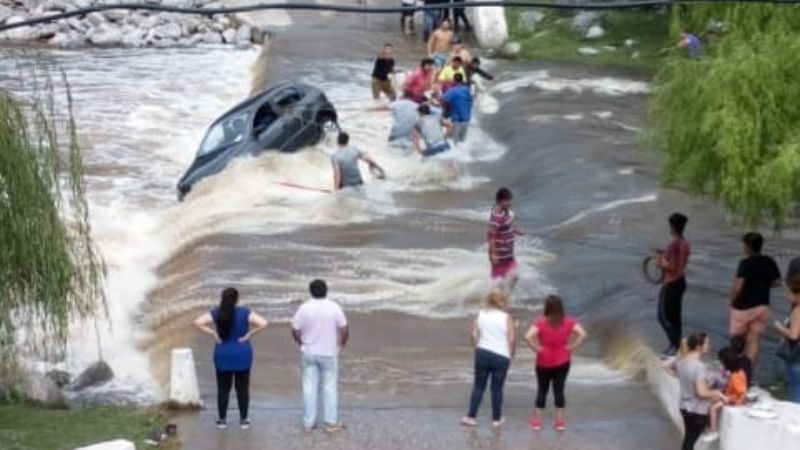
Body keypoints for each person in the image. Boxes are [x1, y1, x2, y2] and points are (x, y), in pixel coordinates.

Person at [193, 287, 268, 429]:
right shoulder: (245, 312)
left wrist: (213, 334)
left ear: (222, 298)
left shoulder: (216, 312)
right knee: (242, 388)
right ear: (237, 299)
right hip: (242, 352)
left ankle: (222, 420)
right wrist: (249, 334)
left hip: (223, 352)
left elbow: (197, 322)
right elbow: (264, 323)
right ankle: (244, 420)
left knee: (223, 388)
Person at [291, 279, 349, 433]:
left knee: (309, 388)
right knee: (329, 387)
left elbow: (295, 329)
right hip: (329, 352)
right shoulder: (334, 307)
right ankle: (330, 422)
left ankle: (308, 423)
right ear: (326, 290)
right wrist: (341, 344)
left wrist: (301, 342)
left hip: (309, 351)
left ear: (310, 291)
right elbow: (344, 329)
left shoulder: (304, 308)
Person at [525, 295, 587, 432]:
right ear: (561, 307)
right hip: (563, 361)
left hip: (543, 361)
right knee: (559, 391)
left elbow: (527, 336)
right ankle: (560, 422)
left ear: (547, 307)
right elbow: (583, 334)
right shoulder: (569, 321)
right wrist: (572, 347)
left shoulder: (540, 322)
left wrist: (537, 349)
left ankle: (537, 422)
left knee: (542, 390)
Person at [461, 289, 515, 428]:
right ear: (502, 302)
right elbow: (512, 338)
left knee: (479, 386)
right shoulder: (506, 317)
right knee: (496, 388)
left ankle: (470, 417)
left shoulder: (481, 314)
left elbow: (473, 333)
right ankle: (496, 419)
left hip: (482, 353)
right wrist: (511, 354)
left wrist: (476, 348)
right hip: (501, 355)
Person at [729, 232, 782, 367]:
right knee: (754, 340)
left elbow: (739, 286)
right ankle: (748, 372)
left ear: (747, 246)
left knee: (737, 340)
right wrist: (763, 284)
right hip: (762, 306)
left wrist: (731, 299)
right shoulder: (769, 261)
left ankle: (735, 370)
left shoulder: (745, 263)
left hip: (742, 307)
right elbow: (777, 282)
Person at [675, 332, 728, 450]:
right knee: (689, 442)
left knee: (688, 440)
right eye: (707, 343)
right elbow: (701, 393)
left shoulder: (681, 362)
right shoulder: (699, 366)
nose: (709, 345)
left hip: (684, 406)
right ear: (698, 346)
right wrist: (717, 393)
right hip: (697, 410)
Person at [656, 213, 691, 357]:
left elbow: (673, 267)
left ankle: (675, 345)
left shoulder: (673, 244)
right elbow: (680, 259)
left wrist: (661, 263)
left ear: (672, 227)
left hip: (671, 284)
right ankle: (677, 346)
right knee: (675, 318)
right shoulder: (685, 243)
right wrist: (664, 253)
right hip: (681, 283)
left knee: (662, 316)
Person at [487, 187, 526, 287]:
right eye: (508, 200)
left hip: (508, 254)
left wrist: (518, 231)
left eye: (510, 200)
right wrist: (494, 255)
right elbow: (491, 236)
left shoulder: (505, 212)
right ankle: (496, 299)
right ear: (501, 201)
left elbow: (507, 227)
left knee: (514, 277)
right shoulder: (496, 217)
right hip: (500, 256)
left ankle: (507, 297)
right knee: (498, 283)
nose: (510, 203)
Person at [706, 347, 747, 440]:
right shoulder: (739, 371)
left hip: (732, 398)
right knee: (711, 400)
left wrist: (738, 403)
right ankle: (710, 425)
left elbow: (743, 391)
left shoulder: (735, 376)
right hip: (730, 395)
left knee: (713, 408)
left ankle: (713, 430)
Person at [773, 275, 800, 403]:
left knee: (796, 391)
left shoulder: (797, 311)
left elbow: (794, 335)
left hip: (796, 357)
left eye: (788, 292)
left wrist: (779, 327)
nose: (786, 295)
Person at [441, 73, 472, 145]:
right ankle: (462, 152)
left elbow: (443, 99)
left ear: (454, 80)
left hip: (456, 117)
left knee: (455, 140)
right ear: (462, 80)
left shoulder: (452, 91)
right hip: (466, 117)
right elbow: (470, 100)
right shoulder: (467, 89)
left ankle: (454, 150)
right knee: (462, 139)